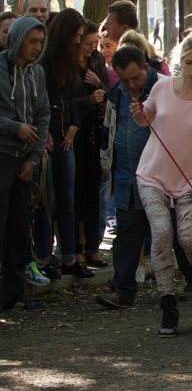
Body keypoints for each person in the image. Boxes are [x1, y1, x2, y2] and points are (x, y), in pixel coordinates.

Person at [130, 34, 192, 336]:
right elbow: (147, 118)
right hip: (152, 174)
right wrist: (139, 115)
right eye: (188, 63)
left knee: (187, 239)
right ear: (179, 61)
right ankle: (167, 305)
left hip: (191, 181)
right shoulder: (161, 86)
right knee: (160, 233)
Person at [96, 46, 163, 308]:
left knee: (175, 232)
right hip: (126, 173)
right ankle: (123, 290)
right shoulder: (117, 92)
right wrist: (105, 159)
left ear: (146, 68)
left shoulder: (165, 89)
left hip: (161, 174)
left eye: (135, 78)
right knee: (126, 232)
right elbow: (108, 128)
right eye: (124, 79)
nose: (130, 84)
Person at [34, 9, 90, 279]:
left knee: (67, 200)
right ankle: (44, 258)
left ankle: (70, 257)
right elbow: (43, 104)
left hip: (65, 138)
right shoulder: (43, 63)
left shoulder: (69, 62)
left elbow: (72, 98)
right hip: (47, 139)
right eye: (77, 36)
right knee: (48, 200)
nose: (79, 42)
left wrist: (74, 125)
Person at [0, 17, 49, 310]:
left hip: (25, 163)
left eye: (40, 42)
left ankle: (14, 294)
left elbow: (43, 115)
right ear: (17, 39)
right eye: (31, 41)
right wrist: (14, 127)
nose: (36, 47)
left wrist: (34, 157)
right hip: (2, 156)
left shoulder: (38, 73)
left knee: (19, 230)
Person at [74, 19, 109, 268]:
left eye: (95, 43)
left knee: (93, 191)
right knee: (75, 192)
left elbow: (110, 92)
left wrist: (100, 86)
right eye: (87, 43)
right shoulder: (66, 63)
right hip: (74, 132)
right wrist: (87, 100)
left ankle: (92, 246)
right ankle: (75, 245)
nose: (91, 48)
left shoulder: (97, 61)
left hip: (95, 134)